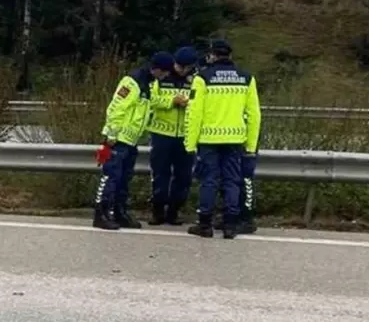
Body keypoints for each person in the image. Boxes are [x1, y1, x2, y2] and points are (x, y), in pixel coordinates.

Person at [184, 39, 262, 239]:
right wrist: (251, 146)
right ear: (230, 56)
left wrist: (189, 144)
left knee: (209, 181)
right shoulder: (246, 78)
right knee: (232, 181)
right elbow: (254, 114)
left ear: (212, 56)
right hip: (235, 140)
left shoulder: (202, 78)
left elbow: (194, 113)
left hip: (208, 140)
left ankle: (205, 225)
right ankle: (230, 226)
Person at [94, 52, 175, 230]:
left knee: (124, 178)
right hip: (118, 139)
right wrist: (112, 135)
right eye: (165, 72)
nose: (167, 76)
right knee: (111, 177)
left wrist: (172, 101)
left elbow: (153, 102)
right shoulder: (132, 82)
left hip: (131, 140)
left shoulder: (148, 84)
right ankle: (101, 213)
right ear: (158, 69)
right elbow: (116, 109)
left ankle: (119, 212)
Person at [146, 46, 198, 225]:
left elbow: (200, 104)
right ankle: (157, 210)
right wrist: (171, 101)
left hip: (185, 135)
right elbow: (151, 100)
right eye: (179, 65)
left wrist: (188, 104)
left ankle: (174, 212)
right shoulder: (161, 77)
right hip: (161, 134)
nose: (182, 70)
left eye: (186, 67)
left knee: (183, 176)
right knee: (160, 174)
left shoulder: (196, 80)